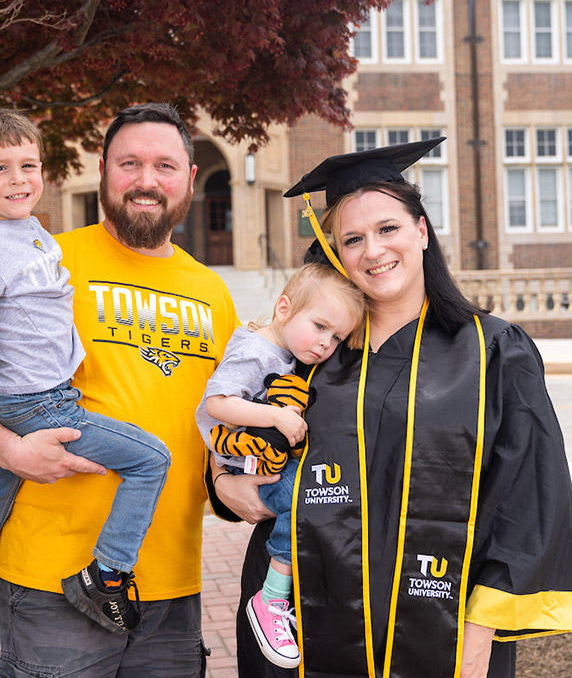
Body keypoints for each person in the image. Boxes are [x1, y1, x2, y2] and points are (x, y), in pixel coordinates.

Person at [210, 138, 572, 678]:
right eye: (352, 239)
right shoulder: (308, 353)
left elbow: (528, 498)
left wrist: (479, 635)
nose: (373, 251)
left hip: (443, 634)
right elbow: (234, 423)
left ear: (421, 231)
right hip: (297, 631)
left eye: (388, 229)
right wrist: (219, 480)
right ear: (335, 253)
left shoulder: (493, 351)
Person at [0, 102, 239, 677]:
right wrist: (7, 451)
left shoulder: (213, 291)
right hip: (52, 577)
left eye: (165, 166)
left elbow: (215, 424)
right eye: (129, 163)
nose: (147, 181)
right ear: (102, 169)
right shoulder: (45, 256)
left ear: (190, 178)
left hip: (172, 583)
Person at [0, 104, 173, 662]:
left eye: (29, 165)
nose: (18, 179)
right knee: (151, 460)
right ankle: (108, 572)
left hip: (24, 396)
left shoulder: (27, 232)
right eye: (0, 169)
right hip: (38, 404)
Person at [197, 262, 365, 669]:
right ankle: (271, 597)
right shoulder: (255, 350)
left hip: (256, 456)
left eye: (337, 336)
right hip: (243, 459)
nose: (327, 343)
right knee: (303, 498)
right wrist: (276, 418)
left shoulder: (280, 350)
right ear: (284, 307)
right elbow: (215, 403)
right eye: (321, 326)